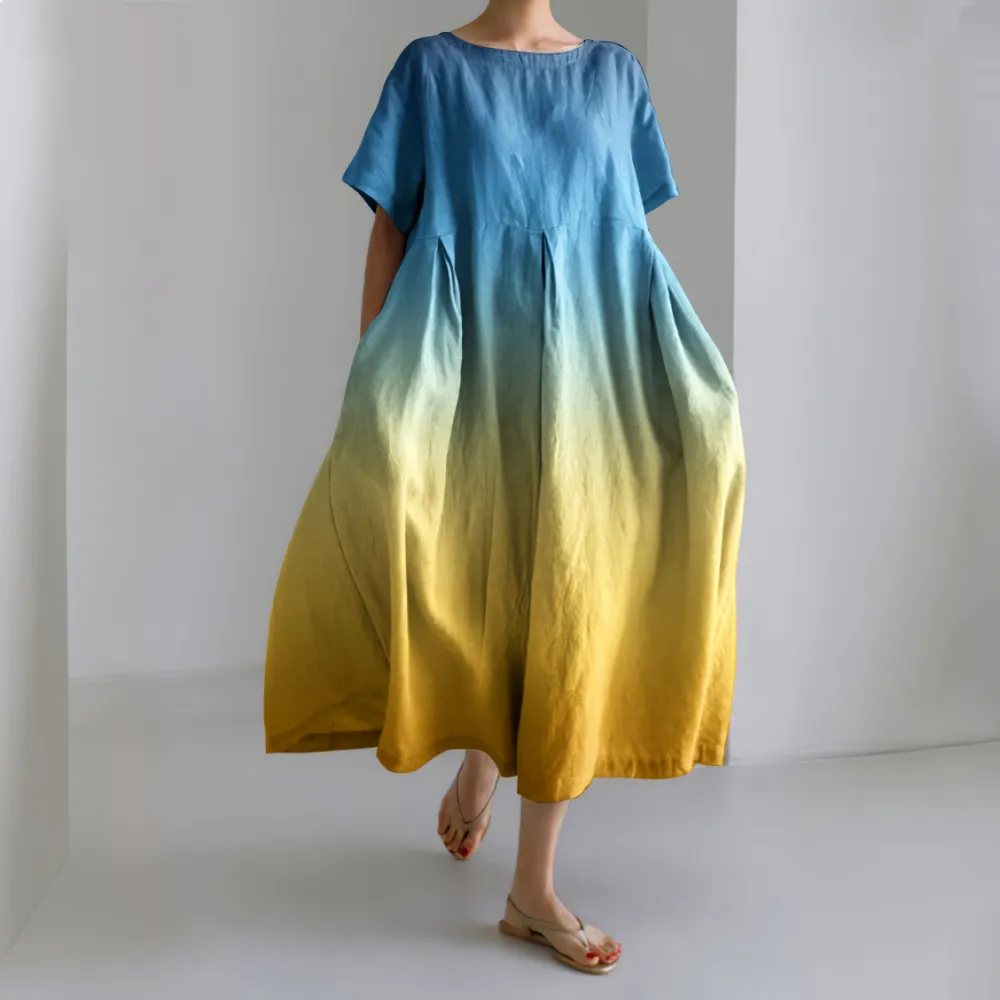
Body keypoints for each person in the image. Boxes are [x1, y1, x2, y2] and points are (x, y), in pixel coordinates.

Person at [264, 0, 745, 975]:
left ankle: (533, 887)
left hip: (591, 374)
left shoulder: (615, 77)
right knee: (469, 564)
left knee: (569, 594)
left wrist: (684, 387)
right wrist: (373, 376)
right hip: (466, 367)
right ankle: (486, 749)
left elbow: (623, 248)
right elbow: (391, 230)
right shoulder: (430, 72)